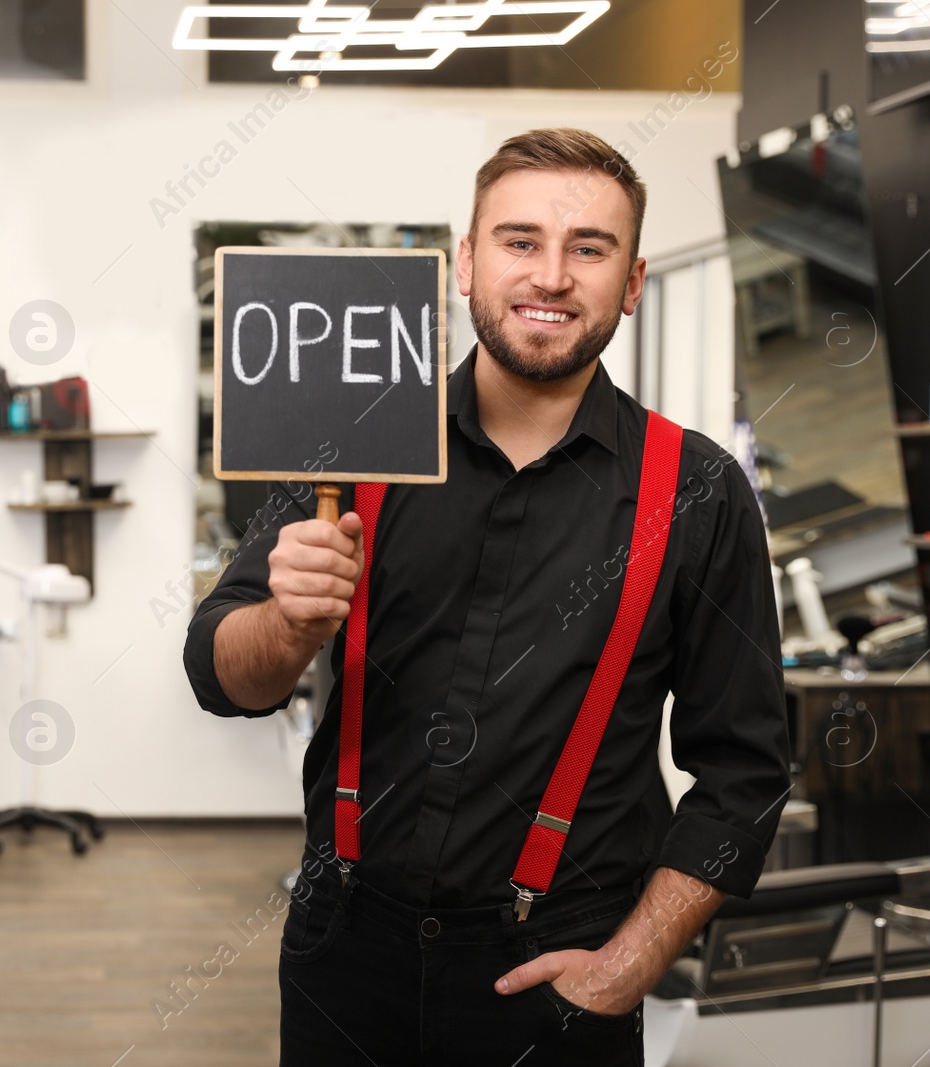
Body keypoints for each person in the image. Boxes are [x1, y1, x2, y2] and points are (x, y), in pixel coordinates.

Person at [183, 127, 790, 1066]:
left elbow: (745, 773)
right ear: (467, 262)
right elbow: (224, 675)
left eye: (589, 248)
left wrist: (634, 960)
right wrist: (287, 620)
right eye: (519, 241)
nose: (550, 276)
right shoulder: (357, 445)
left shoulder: (698, 493)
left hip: (559, 968)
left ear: (630, 282)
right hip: (344, 950)